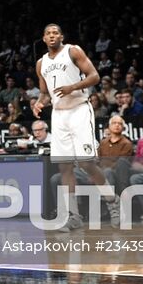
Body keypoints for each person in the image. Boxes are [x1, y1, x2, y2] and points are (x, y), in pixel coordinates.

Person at [33, 24, 118, 228]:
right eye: (48, 33)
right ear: (43, 38)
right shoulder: (40, 63)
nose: (52, 36)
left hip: (79, 110)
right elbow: (45, 92)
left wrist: (73, 86)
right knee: (64, 167)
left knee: (87, 163)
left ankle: (113, 203)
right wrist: (39, 102)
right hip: (59, 115)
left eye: (56, 33)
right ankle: (74, 216)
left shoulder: (73, 50)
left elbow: (94, 76)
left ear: (61, 36)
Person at [98, 115, 134, 193]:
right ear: (109, 126)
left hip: (116, 173)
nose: (117, 125)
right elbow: (98, 159)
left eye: (120, 124)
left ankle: (110, 201)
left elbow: (121, 163)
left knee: (108, 172)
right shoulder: (103, 142)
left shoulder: (127, 144)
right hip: (101, 170)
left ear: (123, 128)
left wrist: (104, 168)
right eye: (114, 123)